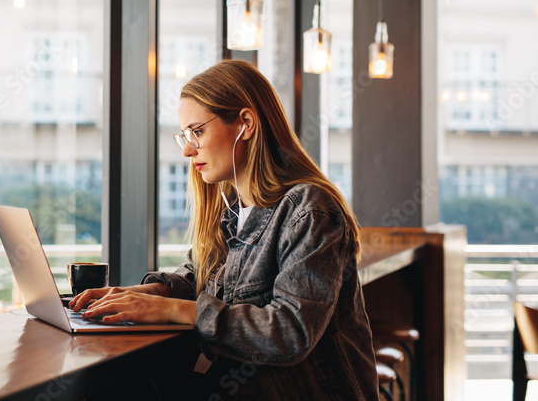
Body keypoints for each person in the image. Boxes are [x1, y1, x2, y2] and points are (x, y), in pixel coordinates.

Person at [69, 59, 379, 399]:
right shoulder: (233, 210)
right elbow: (198, 275)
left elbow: (290, 333)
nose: (188, 150)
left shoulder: (309, 210)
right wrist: (141, 296)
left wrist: (172, 309)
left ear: (245, 123)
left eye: (197, 132)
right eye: (185, 136)